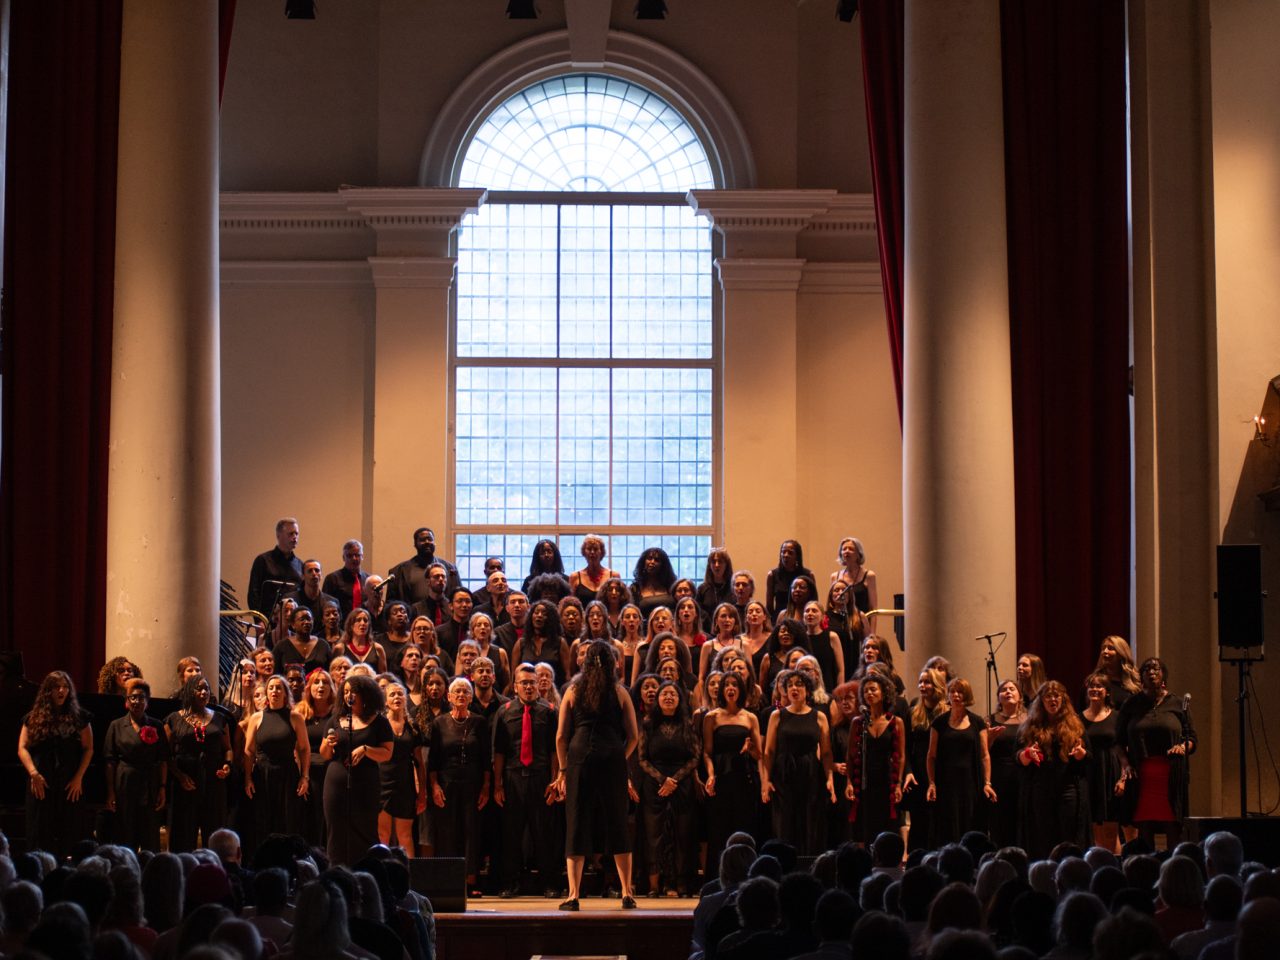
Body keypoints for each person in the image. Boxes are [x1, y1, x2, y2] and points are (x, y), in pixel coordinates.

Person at [553, 640, 641, 910]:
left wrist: (563, 769)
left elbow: (560, 737)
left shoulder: (573, 690)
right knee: (617, 820)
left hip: (580, 757)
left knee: (577, 822)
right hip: (612, 755)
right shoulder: (619, 691)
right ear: (614, 662)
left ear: (584, 662)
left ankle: (573, 895)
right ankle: (627, 892)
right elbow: (634, 736)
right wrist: (618, 756)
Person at [492, 663, 561, 898]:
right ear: (515, 686)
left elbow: (555, 750)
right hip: (512, 778)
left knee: (544, 834)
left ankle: (549, 884)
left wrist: (555, 781)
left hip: (541, 778)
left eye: (533, 683)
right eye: (524, 683)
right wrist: (498, 784)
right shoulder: (504, 712)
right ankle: (510, 883)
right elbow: (499, 751)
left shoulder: (549, 711)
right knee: (511, 835)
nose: (529, 687)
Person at [1116, 656, 1196, 848]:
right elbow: (1118, 741)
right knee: (1145, 829)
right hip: (1142, 775)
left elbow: (1192, 738)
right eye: (1147, 669)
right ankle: (1146, 871)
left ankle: (1173, 872)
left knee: (1173, 828)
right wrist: (1125, 765)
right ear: (1141, 677)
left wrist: (1183, 747)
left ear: (1163, 676)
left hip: (1171, 775)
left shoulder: (1178, 703)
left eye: (1156, 669)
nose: (1151, 672)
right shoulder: (1132, 704)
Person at [17, 670, 93, 857]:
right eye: (57, 687)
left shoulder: (80, 717)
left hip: (69, 782)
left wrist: (78, 778)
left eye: (66, 687)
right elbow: (22, 747)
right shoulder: (33, 717)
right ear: (47, 691)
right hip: (41, 780)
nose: (62, 690)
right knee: (40, 829)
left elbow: (88, 749)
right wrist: (33, 773)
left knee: (69, 830)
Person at [320, 674, 394, 865]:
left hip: (365, 783)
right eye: (345, 692)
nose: (348, 695)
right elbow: (325, 754)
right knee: (336, 829)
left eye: (353, 691)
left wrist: (366, 749)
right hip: (336, 782)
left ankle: (368, 872)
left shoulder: (379, 722)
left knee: (365, 828)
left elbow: (387, 753)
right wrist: (328, 744)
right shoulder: (335, 720)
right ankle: (336, 871)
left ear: (365, 694)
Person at [637, 679, 702, 896]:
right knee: (654, 835)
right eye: (664, 694)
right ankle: (655, 885)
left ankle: (679, 883)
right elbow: (642, 759)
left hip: (681, 785)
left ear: (679, 699)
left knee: (682, 834)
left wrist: (674, 780)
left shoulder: (688, 724)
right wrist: (662, 780)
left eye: (673, 694)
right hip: (654, 785)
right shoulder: (648, 724)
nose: (668, 697)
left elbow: (695, 756)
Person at [761, 669, 835, 855]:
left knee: (809, 823)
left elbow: (826, 753)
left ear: (808, 690)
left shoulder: (819, 717)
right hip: (783, 775)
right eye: (790, 685)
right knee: (785, 824)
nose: (794, 688)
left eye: (799, 684)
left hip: (810, 773)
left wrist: (830, 778)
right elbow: (769, 751)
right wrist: (766, 780)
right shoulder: (777, 715)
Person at [428, 677, 491, 895]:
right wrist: (434, 786)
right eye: (457, 692)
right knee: (448, 832)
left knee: (471, 831)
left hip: (473, 785)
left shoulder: (480, 722)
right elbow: (433, 760)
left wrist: (486, 788)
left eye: (465, 691)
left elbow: (486, 759)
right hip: (446, 784)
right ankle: (450, 883)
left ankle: (470, 881)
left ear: (471, 697)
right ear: (449, 697)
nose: (461, 695)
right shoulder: (439, 723)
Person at [1016, 679, 1090, 858]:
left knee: (1068, 834)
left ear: (1063, 699)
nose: (1052, 700)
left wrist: (1081, 755)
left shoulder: (1076, 724)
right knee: (1043, 836)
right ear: (1041, 700)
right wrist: (1026, 755)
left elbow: (1088, 758)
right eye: (1048, 696)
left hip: (1068, 788)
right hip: (1041, 788)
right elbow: (1017, 756)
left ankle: (1070, 870)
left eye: (1056, 696)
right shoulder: (1030, 725)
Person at [165, 675, 233, 852]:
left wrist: (227, 766)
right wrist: (179, 776)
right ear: (189, 691)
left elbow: (228, 749)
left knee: (215, 832)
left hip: (213, 781)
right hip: (185, 782)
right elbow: (165, 753)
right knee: (183, 834)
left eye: (206, 689)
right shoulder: (174, 719)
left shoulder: (219, 718)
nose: (204, 692)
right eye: (199, 688)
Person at [926, 677, 996, 848]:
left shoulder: (977, 721)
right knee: (947, 826)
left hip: (971, 782)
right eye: (953, 691)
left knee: (970, 824)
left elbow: (984, 755)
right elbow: (931, 756)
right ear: (948, 695)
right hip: (946, 783)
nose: (956, 695)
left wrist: (987, 783)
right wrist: (932, 783)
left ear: (967, 695)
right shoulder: (939, 723)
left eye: (960, 692)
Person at [243, 674, 311, 844]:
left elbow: (304, 749)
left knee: (288, 822)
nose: (275, 691)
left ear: (285, 693)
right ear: (266, 692)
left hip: (288, 774)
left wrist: (304, 776)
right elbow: (249, 751)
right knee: (263, 821)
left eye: (279, 687)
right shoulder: (256, 718)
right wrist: (248, 778)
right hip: (262, 774)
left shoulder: (295, 718)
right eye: (271, 687)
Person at [104, 678, 170, 851]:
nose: (136, 701)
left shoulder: (156, 725)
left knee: (150, 834)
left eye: (141, 698)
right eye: (132, 697)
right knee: (125, 832)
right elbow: (110, 761)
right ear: (126, 702)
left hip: (150, 782)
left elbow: (163, 759)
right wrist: (111, 793)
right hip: (125, 780)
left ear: (147, 702)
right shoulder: (116, 725)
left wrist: (162, 788)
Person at [702, 671, 762, 863]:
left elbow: (758, 754)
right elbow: (707, 752)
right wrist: (710, 775)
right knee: (719, 828)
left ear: (740, 690)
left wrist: (750, 748)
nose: (730, 688)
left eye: (734, 685)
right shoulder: (712, 717)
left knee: (742, 826)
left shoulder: (750, 717)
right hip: (721, 776)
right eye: (726, 684)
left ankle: (743, 873)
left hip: (743, 776)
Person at [847, 673, 905, 844]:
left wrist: (899, 784)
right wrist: (849, 782)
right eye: (865, 691)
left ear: (884, 693)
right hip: (865, 781)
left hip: (887, 781)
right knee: (866, 826)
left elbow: (901, 756)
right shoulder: (858, 722)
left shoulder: (896, 722)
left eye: (873, 689)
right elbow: (850, 756)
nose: (869, 694)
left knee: (887, 826)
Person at [1081, 671, 1130, 853]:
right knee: (1094, 830)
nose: (1095, 689)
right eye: (1091, 686)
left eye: (1099, 686)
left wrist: (1123, 778)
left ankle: (1114, 870)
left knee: (1111, 830)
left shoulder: (1117, 717)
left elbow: (1126, 751)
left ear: (1107, 692)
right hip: (1089, 774)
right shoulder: (1079, 719)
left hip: (1111, 772)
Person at [901, 666, 947, 852]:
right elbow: (905, 747)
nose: (922, 685)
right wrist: (908, 772)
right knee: (919, 823)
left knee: (939, 822)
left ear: (937, 685)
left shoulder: (948, 713)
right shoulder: (913, 712)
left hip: (941, 772)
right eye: (920, 681)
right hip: (918, 773)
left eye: (927, 682)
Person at [378, 679, 426, 853]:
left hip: (405, 786)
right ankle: (382, 878)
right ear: (385, 701)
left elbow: (420, 763)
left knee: (405, 835)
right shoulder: (379, 725)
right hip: (382, 783)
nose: (397, 697)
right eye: (392, 694)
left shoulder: (412, 727)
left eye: (400, 694)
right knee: (382, 835)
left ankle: (409, 878)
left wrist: (422, 793)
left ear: (406, 699)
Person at [295, 668, 336, 847]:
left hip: (329, 770)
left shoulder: (337, 714)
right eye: (316, 682)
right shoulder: (300, 712)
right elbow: (295, 747)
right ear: (309, 687)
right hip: (305, 770)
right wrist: (301, 773)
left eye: (325, 682)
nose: (321, 686)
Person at [983, 678, 1026, 849]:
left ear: (1020, 696)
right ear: (998, 697)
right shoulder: (990, 720)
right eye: (1003, 690)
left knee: (1020, 819)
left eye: (1012, 689)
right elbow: (982, 752)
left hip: (1022, 774)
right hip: (998, 775)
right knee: (1000, 821)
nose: (1008, 692)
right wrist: (991, 738)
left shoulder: (1028, 719)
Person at [387, 527, 461, 606]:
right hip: (411, 616)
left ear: (434, 543)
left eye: (430, 539)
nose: (427, 542)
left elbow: (459, 596)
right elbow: (390, 604)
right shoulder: (398, 572)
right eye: (422, 540)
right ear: (415, 544)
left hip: (443, 616)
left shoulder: (450, 569)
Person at [247, 518, 303, 617]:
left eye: (296, 534)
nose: (295, 537)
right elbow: (253, 594)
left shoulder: (300, 565)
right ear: (278, 535)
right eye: (291, 534)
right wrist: (259, 620)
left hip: (293, 622)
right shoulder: (263, 560)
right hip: (268, 621)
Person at [512, 599, 571, 685]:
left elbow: (567, 676)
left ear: (551, 618)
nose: (539, 615)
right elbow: (513, 676)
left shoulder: (560, 643)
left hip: (553, 691)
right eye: (536, 612)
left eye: (544, 614)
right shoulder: (521, 643)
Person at [831, 537, 878, 629]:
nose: (847, 551)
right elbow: (832, 604)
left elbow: (873, 608)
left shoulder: (869, 576)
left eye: (851, 549)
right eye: (844, 549)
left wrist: (872, 634)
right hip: (841, 625)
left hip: (862, 625)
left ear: (858, 554)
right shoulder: (835, 576)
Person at [1084, 636, 1141, 711]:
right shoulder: (1092, 682)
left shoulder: (1134, 683)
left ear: (1121, 654)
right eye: (1103, 648)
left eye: (1110, 648)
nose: (1105, 651)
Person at [764, 540, 815, 623]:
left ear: (797, 556)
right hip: (780, 619)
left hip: (803, 620)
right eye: (783, 552)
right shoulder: (772, 575)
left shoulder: (808, 575)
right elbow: (769, 606)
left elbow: (813, 600)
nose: (786, 555)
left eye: (790, 553)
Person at [801, 600, 845, 694]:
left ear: (822, 617)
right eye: (807, 611)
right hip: (805, 690)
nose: (810, 613)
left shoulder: (832, 637)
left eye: (814, 611)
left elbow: (840, 670)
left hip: (828, 689)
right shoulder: (801, 639)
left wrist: (839, 692)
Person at [275, 607, 333, 677]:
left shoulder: (323, 645)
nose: (306, 622)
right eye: (302, 619)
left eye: (309, 619)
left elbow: (331, 671)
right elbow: (275, 671)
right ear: (293, 624)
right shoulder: (282, 646)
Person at [285, 559, 339, 632]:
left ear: (321, 575)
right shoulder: (291, 600)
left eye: (317, 570)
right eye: (310, 571)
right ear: (302, 576)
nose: (314, 573)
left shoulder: (331, 601)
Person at [322, 539, 371, 619]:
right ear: (343, 558)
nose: (354, 558)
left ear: (362, 557)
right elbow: (326, 606)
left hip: (364, 624)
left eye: (357, 555)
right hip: (341, 626)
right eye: (349, 556)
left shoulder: (368, 580)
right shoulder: (332, 579)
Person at [568, 534, 621, 606]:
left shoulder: (614, 576)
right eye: (589, 549)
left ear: (602, 552)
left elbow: (619, 604)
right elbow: (570, 605)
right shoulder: (575, 577)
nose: (592, 552)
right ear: (584, 552)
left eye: (596, 549)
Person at [332, 609, 388, 674]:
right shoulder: (340, 649)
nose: (362, 623)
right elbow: (334, 674)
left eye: (365, 620)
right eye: (358, 620)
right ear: (351, 625)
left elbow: (383, 675)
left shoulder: (378, 648)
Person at [631, 547, 679, 620]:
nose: (652, 562)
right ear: (643, 562)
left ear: (663, 565)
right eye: (649, 558)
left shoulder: (672, 586)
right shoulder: (635, 588)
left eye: (657, 560)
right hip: (645, 629)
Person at [695, 548, 735, 631]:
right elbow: (697, 613)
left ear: (726, 565)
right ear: (709, 565)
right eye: (713, 562)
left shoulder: (734, 588)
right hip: (707, 632)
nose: (717, 565)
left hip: (731, 632)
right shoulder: (702, 589)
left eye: (720, 561)